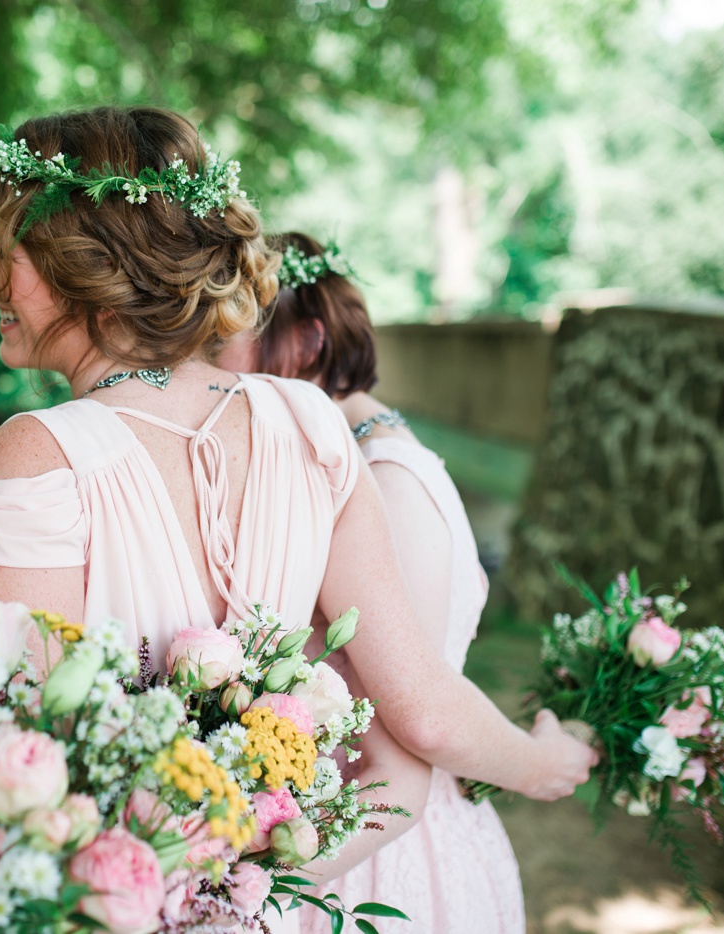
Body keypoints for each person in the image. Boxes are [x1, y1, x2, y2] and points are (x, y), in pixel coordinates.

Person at [0, 106, 595, 903]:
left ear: (88, 265)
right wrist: (246, 892)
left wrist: (174, 898)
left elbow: (28, 775)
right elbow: (419, 726)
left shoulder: (34, 458)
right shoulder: (313, 423)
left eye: (5, 252)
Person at [218, 231, 527, 931]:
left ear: (306, 343)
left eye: (222, 343)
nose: (209, 367)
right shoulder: (332, 465)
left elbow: (415, 713)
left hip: (381, 860)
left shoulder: (391, 483)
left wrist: (535, 765)